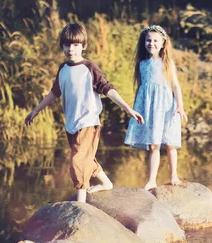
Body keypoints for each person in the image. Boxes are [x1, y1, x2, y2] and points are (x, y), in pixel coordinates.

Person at [25, 23, 144, 203]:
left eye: (75, 45)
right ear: (62, 46)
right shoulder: (63, 69)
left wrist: (127, 108)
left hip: (88, 122)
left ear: (83, 46)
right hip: (71, 123)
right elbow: (53, 93)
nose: (70, 49)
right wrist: (35, 110)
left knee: (77, 161)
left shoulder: (89, 68)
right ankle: (106, 183)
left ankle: (81, 201)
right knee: (84, 157)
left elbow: (107, 88)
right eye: (67, 45)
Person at [124, 25, 188, 190]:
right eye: (148, 40)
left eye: (155, 40)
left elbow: (175, 85)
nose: (151, 43)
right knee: (153, 144)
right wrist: (137, 108)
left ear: (163, 43)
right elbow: (141, 88)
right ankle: (152, 179)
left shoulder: (167, 62)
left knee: (169, 143)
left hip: (166, 106)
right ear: (144, 42)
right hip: (149, 107)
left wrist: (180, 106)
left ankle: (174, 175)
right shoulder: (142, 63)